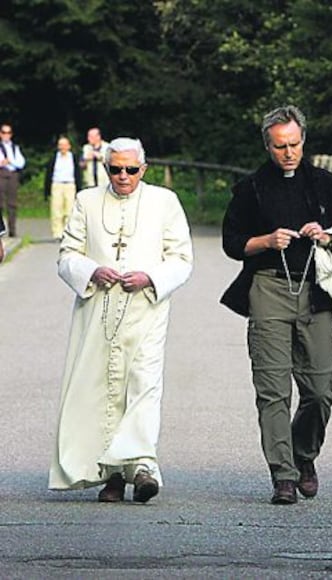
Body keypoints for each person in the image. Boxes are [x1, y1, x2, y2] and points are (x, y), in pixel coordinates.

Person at [221, 105, 332, 505]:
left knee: (319, 391)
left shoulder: (323, 184)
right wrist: (265, 241)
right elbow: (232, 243)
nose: (289, 153)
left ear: (303, 141)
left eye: (294, 144)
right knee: (273, 388)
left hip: (315, 291)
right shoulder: (251, 189)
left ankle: (303, 455)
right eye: (280, 146)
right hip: (268, 289)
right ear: (268, 146)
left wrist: (326, 235)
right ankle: (282, 473)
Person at [49, 137, 193, 504]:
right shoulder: (87, 201)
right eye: (116, 169)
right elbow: (67, 255)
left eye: (131, 169)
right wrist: (91, 270)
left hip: (146, 307)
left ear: (143, 169)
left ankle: (143, 466)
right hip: (98, 309)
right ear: (106, 168)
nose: (123, 176)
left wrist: (151, 278)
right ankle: (112, 474)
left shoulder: (164, 202)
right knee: (104, 389)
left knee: (143, 383)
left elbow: (181, 259)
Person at [44, 136, 82, 240]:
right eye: (60, 145)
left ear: (69, 146)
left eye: (65, 145)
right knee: (56, 210)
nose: (63, 147)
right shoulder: (54, 158)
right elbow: (48, 175)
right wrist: (46, 191)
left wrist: (79, 188)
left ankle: (67, 233)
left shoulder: (73, 157)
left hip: (70, 185)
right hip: (57, 185)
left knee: (69, 210)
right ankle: (57, 233)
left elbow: (78, 174)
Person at [0, 123, 26, 237]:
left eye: (8, 133)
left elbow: (21, 163)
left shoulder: (15, 148)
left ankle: (12, 230)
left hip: (12, 174)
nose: (6, 135)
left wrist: (10, 161)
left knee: (12, 203)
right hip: (1, 173)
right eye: (4, 132)